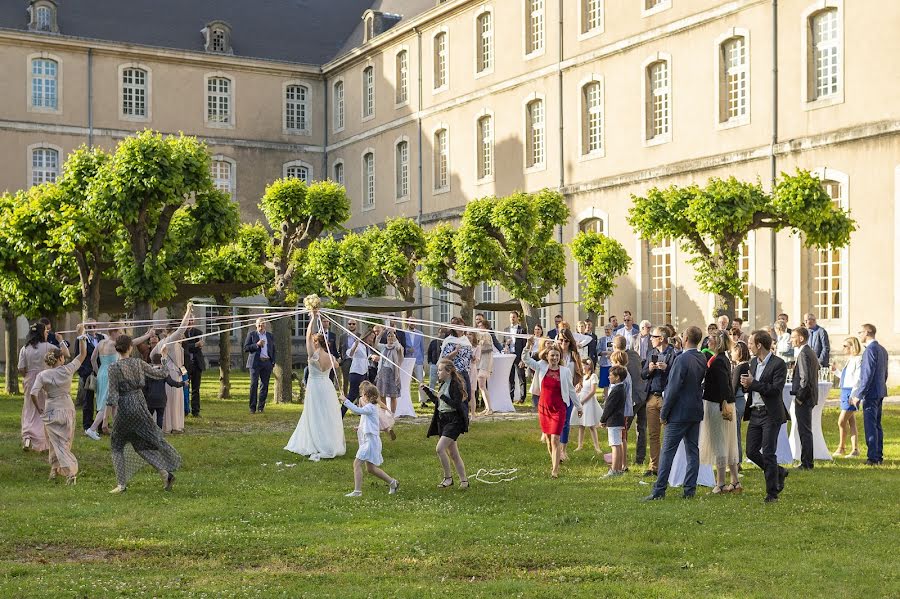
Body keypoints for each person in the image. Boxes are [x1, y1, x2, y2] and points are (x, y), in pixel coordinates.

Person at [105, 324, 188, 495]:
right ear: (130, 348)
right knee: (140, 444)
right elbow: (162, 374)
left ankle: (121, 484)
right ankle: (165, 473)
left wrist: (108, 419)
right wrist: (164, 357)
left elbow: (112, 397)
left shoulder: (113, 368)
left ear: (117, 349)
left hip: (125, 408)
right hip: (141, 405)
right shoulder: (138, 363)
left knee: (117, 444)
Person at [644, 326, 707, 501]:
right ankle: (689, 490)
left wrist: (664, 413)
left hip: (679, 412)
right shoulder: (701, 357)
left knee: (668, 452)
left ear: (686, 338)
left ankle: (659, 490)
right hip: (694, 409)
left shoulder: (682, 359)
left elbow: (672, 388)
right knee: (692, 451)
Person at [284, 311, 347, 461]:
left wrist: (312, 319)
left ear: (317, 342)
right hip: (327, 386)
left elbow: (307, 336)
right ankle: (330, 442)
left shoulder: (314, 354)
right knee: (327, 414)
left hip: (316, 388)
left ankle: (316, 441)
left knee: (315, 413)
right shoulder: (331, 357)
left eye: (313, 341)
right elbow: (337, 365)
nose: (311, 342)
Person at [30, 335, 87, 484]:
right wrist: (81, 336)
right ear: (60, 359)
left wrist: (39, 408)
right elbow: (83, 354)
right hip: (67, 408)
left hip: (51, 410)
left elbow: (33, 393)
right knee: (63, 443)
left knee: (56, 442)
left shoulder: (42, 375)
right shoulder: (67, 370)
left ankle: (63, 471)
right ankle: (60, 471)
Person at [741, 330, 789, 503]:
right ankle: (779, 471)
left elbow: (775, 390)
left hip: (771, 414)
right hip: (755, 412)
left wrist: (753, 384)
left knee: (768, 453)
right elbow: (753, 387)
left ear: (759, 345)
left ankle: (772, 493)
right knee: (751, 452)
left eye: (751, 343)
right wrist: (746, 386)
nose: (750, 346)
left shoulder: (779, 364)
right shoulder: (753, 363)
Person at [522, 337, 580, 479]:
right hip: (544, 407)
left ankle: (555, 470)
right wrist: (528, 345)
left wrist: (579, 406)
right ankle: (554, 459)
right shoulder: (541, 366)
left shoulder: (565, 371)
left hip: (559, 408)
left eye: (557, 355)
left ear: (560, 357)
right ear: (547, 356)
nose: (554, 357)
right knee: (548, 439)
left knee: (555, 439)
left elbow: (571, 390)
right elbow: (526, 360)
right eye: (552, 355)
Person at [342, 381, 400, 497]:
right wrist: (359, 428)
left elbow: (357, 410)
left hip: (371, 442)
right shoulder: (371, 408)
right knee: (371, 469)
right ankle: (392, 482)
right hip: (370, 441)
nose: (362, 397)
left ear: (367, 396)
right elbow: (368, 422)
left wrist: (345, 401)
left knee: (357, 464)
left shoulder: (370, 407)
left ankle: (357, 491)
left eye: (363, 394)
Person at [700, 330, 741, 494]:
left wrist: (723, 403)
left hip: (718, 405)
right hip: (725, 404)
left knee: (719, 443)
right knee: (729, 442)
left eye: (710, 339)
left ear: (717, 342)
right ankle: (735, 481)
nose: (707, 341)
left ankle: (721, 483)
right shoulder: (723, 359)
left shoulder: (717, 361)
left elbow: (723, 385)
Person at [419, 358, 470, 489]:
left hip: (454, 421)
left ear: (448, 372)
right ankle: (464, 481)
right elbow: (439, 402)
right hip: (443, 420)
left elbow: (456, 404)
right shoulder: (443, 384)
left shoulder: (455, 385)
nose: (438, 373)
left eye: (440, 370)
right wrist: (427, 391)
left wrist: (443, 397)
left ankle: (448, 478)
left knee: (439, 448)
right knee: (453, 453)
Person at [19, 321, 62, 451]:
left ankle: (27, 437)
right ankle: (43, 439)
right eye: (45, 331)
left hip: (30, 379)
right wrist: (60, 341)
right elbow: (64, 355)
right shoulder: (49, 346)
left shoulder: (24, 348)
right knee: (44, 407)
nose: (46, 333)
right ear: (41, 333)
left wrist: (28, 374)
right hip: (45, 378)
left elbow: (21, 368)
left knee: (30, 408)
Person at [851, 324, 889, 465]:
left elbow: (867, 375)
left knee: (871, 425)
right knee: (877, 425)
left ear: (867, 332)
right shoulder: (882, 349)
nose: (859, 334)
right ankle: (878, 455)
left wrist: (859, 395)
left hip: (871, 393)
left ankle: (873, 458)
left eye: (860, 332)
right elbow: (884, 373)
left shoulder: (870, 350)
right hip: (879, 391)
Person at [640, 326, 676, 477]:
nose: (650, 339)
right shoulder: (651, 353)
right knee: (653, 434)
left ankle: (668, 467)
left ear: (661, 339)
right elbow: (643, 375)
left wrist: (666, 368)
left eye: (653, 337)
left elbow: (676, 376)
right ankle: (654, 466)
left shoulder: (673, 354)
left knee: (669, 435)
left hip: (666, 398)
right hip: (652, 397)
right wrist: (650, 369)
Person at [790, 326, 819, 470]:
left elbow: (805, 379)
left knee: (804, 431)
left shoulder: (803, 353)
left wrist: (799, 397)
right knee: (805, 430)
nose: (791, 340)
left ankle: (807, 463)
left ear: (801, 338)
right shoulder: (808, 352)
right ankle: (807, 461)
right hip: (809, 397)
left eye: (793, 337)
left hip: (805, 398)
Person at [620, 334, 648, 467]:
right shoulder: (635, 354)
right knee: (642, 428)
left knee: (623, 428)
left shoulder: (622, 358)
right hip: (643, 393)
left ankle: (621, 459)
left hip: (634, 398)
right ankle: (640, 459)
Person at [557, 327, 585, 462]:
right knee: (557, 421)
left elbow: (579, 371)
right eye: (561, 340)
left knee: (566, 422)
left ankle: (563, 450)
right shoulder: (555, 353)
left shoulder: (574, 355)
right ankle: (555, 448)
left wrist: (579, 382)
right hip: (556, 392)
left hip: (570, 391)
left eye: (566, 341)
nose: (563, 344)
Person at [832, 337, 862, 457]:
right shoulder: (850, 359)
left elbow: (858, 379)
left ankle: (841, 447)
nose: (843, 348)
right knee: (851, 421)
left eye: (845, 346)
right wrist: (836, 371)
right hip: (845, 390)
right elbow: (847, 377)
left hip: (851, 392)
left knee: (841, 421)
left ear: (852, 347)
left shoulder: (858, 359)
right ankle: (855, 449)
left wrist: (854, 394)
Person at [74, 320, 105, 433]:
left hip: (102, 372)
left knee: (101, 400)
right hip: (88, 373)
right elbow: (78, 355)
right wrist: (84, 373)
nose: (91, 328)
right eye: (89, 326)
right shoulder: (81, 339)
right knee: (88, 399)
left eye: (93, 326)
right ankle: (87, 425)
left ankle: (100, 425)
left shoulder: (102, 338)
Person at [600, 365, 628, 478]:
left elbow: (609, 406)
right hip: (618, 419)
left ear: (617, 377)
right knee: (618, 444)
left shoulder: (616, 390)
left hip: (614, 420)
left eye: (610, 375)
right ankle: (618, 468)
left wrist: (603, 419)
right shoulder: (621, 388)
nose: (608, 377)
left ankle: (614, 470)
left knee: (614, 445)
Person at [143, 351, 184, 429]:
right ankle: (159, 433)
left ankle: (149, 431)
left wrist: (145, 397)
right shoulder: (164, 372)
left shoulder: (148, 372)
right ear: (161, 361)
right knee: (160, 417)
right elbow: (172, 383)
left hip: (150, 398)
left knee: (149, 417)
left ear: (152, 361)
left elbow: (144, 387)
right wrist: (183, 383)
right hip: (161, 398)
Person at [243, 317, 275, 414]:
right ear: (256, 325)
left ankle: (261, 407)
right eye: (259, 324)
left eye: (263, 324)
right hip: (255, 363)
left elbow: (273, 349)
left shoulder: (269, 336)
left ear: (265, 325)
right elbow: (246, 348)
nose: (261, 326)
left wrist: (273, 361)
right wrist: (256, 345)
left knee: (264, 385)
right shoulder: (252, 335)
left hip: (267, 362)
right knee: (254, 384)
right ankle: (252, 407)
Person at [375, 330, 404, 437]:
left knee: (392, 395)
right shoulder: (383, 347)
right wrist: (382, 332)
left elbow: (400, 349)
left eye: (392, 336)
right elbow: (376, 343)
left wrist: (395, 338)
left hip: (392, 373)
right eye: (389, 336)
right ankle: (383, 414)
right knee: (382, 394)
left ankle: (392, 414)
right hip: (383, 372)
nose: (390, 338)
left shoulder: (397, 347)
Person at [440, 318, 474, 401]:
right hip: (455, 372)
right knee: (459, 395)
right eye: (460, 327)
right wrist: (455, 351)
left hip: (465, 371)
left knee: (468, 395)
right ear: (454, 328)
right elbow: (444, 358)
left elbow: (468, 353)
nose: (462, 330)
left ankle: (463, 412)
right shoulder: (449, 341)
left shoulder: (465, 339)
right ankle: (459, 412)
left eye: (463, 327)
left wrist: (472, 357)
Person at [572, 358, 601, 453]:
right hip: (582, 400)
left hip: (588, 402)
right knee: (581, 424)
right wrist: (577, 390)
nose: (583, 367)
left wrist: (583, 401)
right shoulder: (583, 377)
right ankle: (579, 445)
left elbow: (592, 391)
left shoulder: (593, 376)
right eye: (582, 365)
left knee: (591, 425)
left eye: (585, 365)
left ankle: (597, 446)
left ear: (589, 366)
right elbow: (581, 389)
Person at [730, 340, 751, 464]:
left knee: (734, 433)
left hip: (736, 401)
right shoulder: (745, 365)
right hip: (740, 399)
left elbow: (733, 387)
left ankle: (737, 461)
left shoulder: (739, 367)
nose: (731, 353)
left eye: (733, 351)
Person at [345, 327, 373, 416]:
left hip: (364, 373)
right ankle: (341, 413)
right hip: (356, 373)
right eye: (371, 337)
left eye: (373, 338)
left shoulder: (367, 346)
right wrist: (355, 346)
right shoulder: (358, 344)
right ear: (366, 336)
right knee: (352, 395)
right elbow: (350, 354)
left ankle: (363, 413)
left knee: (367, 393)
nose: (372, 339)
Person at [182, 318, 206, 418]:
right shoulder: (181, 333)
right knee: (185, 387)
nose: (190, 322)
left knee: (196, 389)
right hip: (185, 365)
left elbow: (198, 346)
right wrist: (195, 345)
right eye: (188, 320)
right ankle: (185, 410)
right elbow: (184, 347)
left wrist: (195, 345)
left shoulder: (198, 332)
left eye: (192, 320)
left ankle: (196, 411)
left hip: (196, 364)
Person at [506, 311, 528, 403]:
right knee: (511, 378)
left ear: (517, 318)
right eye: (511, 317)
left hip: (519, 356)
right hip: (510, 355)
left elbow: (524, 345)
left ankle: (522, 397)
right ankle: (511, 397)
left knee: (521, 377)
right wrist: (506, 343)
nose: (512, 319)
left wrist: (523, 359)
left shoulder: (522, 330)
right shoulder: (506, 330)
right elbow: (503, 343)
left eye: (514, 317)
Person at [474, 320, 495, 415]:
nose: (479, 327)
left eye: (481, 326)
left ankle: (489, 408)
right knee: (481, 386)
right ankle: (487, 407)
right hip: (480, 363)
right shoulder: (479, 335)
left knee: (482, 385)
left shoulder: (487, 335)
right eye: (478, 326)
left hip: (484, 363)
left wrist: (478, 347)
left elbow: (488, 348)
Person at [338, 319, 359, 397]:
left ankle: (357, 398)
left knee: (356, 380)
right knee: (345, 380)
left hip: (357, 361)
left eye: (353, 324)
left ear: (356, 325)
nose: (351, 325)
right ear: (347, 325)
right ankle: (344, 398)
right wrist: (340, 358)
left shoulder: (360, 336)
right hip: (346, 360)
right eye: (350, 324)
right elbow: (339, 349)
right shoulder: (342, 337)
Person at [595, 323, 614, 399]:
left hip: (612, 363)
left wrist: (612, 353)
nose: (607, 331)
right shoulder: (602, 339)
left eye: (608, 329)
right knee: (605, 382)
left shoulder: (614, 339)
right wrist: (605, 352)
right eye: (605, 329)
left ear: (611, 330)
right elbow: (598, 350)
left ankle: (612, 397)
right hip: (604, 363)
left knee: (612, 381)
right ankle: (606, 398)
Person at [406, 322, 426, 391]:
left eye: (414, 322)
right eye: (411, 322)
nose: (412, 323)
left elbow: (422, 348)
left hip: (418, 360)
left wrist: (422, 361)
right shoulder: (404, 333)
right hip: (407, 359)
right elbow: (402, 346)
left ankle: (422, 400)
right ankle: (406, 399)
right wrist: (407, 350)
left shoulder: (420, 333)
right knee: (407, 381)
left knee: (420, 380)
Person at [426, 327, 444, 394]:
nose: (441, 334)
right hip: (434, 364)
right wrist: (430, 361)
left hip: (443, 366)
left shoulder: (447, 342)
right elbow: (429, 352)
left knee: (442, 381)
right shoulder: (433, 342)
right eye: (440, 332)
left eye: (443, 332)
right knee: (432, 381)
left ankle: (441, 394)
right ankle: (431, 394)